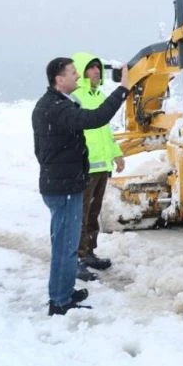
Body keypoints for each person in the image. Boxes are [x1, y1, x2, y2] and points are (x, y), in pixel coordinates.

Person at [32, 57, 130, 316]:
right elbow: (96, 118)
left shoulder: (54, 105)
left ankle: (64, 292)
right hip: (63, 188)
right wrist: (123, 89)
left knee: (67, 245)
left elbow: (40, 151)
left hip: (64, 184)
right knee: (65, 247)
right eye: (73, 72)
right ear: (59, 79)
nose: (78, 76)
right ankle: (59, 302)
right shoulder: (55, 108)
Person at [71, 53, 125, 281]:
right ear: (82, 71)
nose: (96, 72)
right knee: (80, 215)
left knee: (93, 213)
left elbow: (106, 133)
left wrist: (117, 154)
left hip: (101, 167)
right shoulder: (76, 97)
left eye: (98, 68)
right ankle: (77, 258)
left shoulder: (99, 95)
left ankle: (89, 251)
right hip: (85, 167)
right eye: (91, 68)